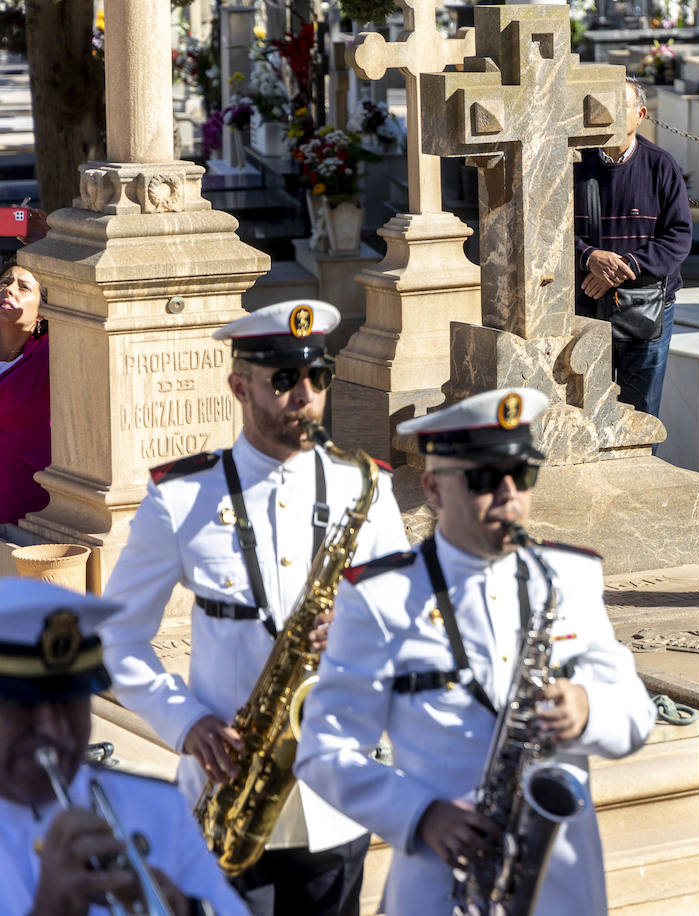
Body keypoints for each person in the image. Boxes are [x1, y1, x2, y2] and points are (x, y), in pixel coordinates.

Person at [97, 299, 410, 916]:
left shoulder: (364, 486)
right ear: (240, 386)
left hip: (333, 801)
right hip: (228, 796)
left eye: (318, 377)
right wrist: (185, 722)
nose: (306, 395)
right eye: (285, 379)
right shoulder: (182, 496)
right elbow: (115, 637)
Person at [294, 387, 656, 916]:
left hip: (562, 889)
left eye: (523, 476)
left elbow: (636, 715)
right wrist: (421, 815)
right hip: (444, 886)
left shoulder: (571, 576)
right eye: (486, 480)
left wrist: (586, 710)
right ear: (434, 490)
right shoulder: (381, 596)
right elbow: (324, 749)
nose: (511, 497)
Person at [0, 578, 250, 916]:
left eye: (69, 702)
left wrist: (187, 908)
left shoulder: (159, 806)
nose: (54, 730)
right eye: (25, 706)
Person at [573, 77, 692, 418]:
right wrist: (589, 256)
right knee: (583, 410)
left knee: (639, 414)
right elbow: (550, 230)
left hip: (646, 307)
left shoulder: (660, 165)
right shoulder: (574, 162)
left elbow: (678, 237)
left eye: (618, 105)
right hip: (585, 303)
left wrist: (621, 268)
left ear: (639, 114)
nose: (607, 113)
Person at [0, 262, 51, 525]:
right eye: (5, 282)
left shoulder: (49, 355)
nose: (9, 290)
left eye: (24, 287)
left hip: (20, 502)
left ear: (43, 311)